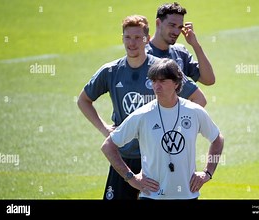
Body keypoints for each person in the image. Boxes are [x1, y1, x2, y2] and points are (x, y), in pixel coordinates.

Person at [77, 15, 207, 200]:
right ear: (122, 38)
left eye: (138, 37)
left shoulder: (162, 68)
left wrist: (174, 126)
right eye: (127, 37)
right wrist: (104, 129)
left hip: (158, 158)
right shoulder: (111, 71)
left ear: (146, 39)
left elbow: (199, 99)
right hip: (125, 156)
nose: (132, 43)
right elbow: (83, 100)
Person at [101, 58, 224, 199]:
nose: (156, 86)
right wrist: (131, 178)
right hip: (152, 196)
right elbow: (108, 146)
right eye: (154, 81)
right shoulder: (142, 115)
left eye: (163, 81)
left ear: (176, 83)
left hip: (187, 195)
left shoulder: (194, 111)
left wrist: (207, 173)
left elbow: (217, 138)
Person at [146, 2, 215, 86]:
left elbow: (209, 79)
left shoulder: (180, 53)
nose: (176, 32)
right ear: (158, 23)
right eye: (172, 25)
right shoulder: (142, 54)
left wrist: (195, 45)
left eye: (180, 27)